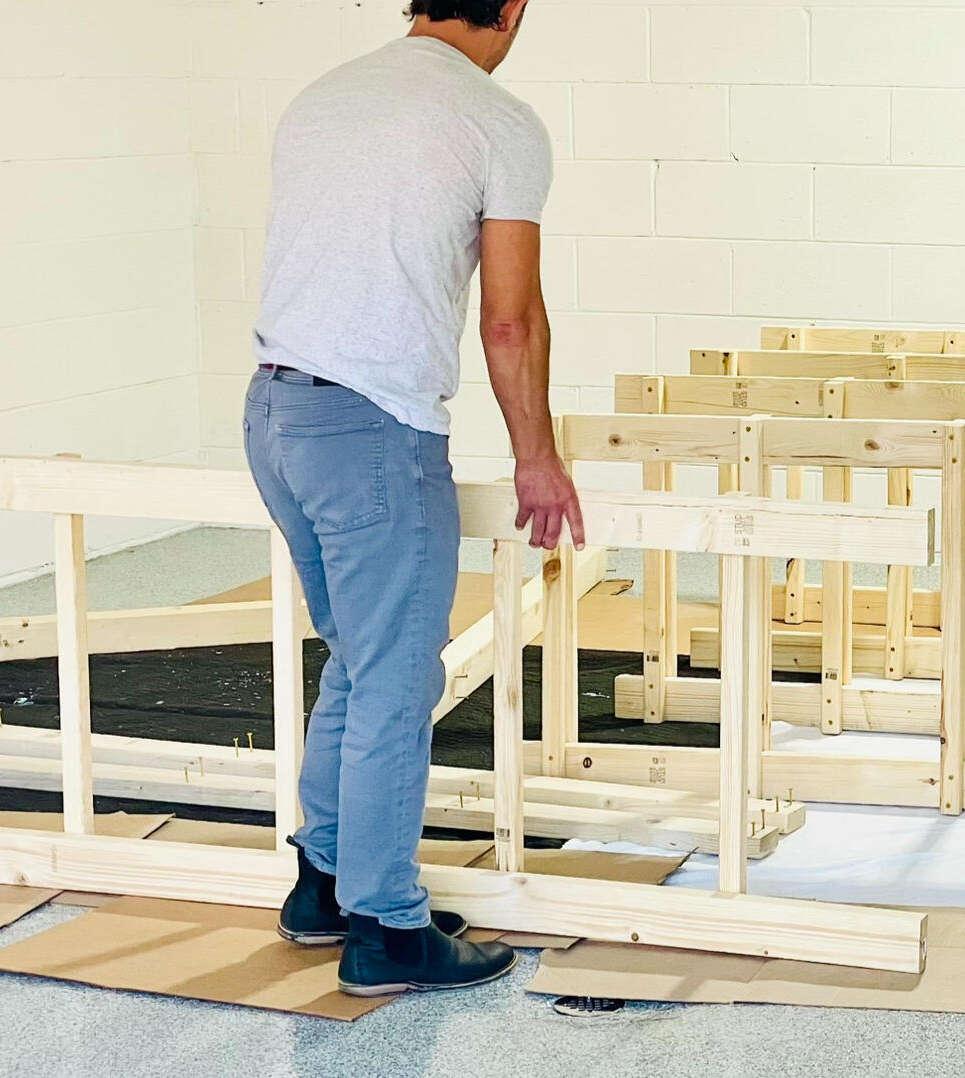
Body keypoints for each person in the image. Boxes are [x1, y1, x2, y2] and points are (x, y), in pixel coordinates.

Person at [244, 0, 582, 997]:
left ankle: (324, 884)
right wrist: (537, 457)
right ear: (512, 8)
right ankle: (387, 929)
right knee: (396, 678)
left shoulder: (323, 96)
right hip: (372, 430)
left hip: (275, 413)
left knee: (359, 659)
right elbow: (510, 320)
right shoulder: (497, 120)